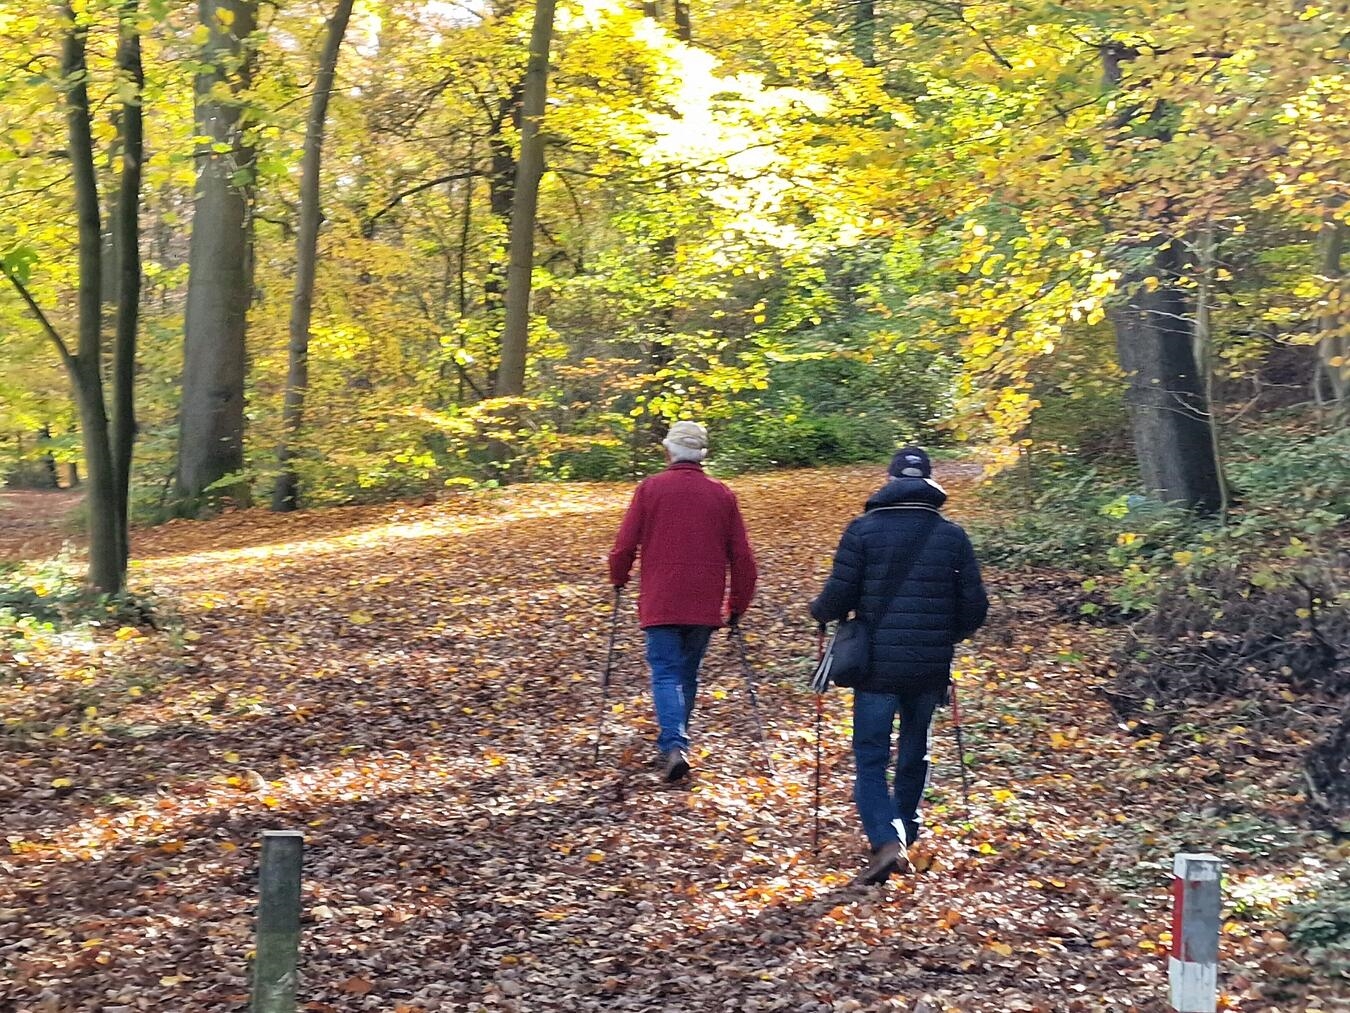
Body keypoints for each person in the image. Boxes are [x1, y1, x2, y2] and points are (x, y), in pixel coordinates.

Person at [810, 446, 988, 884]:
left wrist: (819, 612)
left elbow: (839, 595)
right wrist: (946, 636)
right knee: (915, 749)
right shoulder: (952, 536)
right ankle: (905, 832)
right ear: (929, 484)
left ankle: (886, 838)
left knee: (871, 755)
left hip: (875, 667)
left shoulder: (862, 531)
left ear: (889, 482)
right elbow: (975, 608)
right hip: (929, 667)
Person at [609, 421, 758, 782]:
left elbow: (625, 545)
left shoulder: (651, 489)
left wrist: (619, 576)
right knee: (686, 674)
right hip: (703, 603)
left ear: (668, 451)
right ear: (702, 455)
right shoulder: (721, 494)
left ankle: (674, 744)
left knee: (665, 673)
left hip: (661, 600)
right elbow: (742, 558)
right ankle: (675, 745)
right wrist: (738, 603)